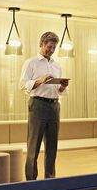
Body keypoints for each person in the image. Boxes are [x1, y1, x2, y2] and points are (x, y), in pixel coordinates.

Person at [20, 32, 69, 180]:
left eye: (54, 48)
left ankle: (50, 179)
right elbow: (22, 84)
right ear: (41, 44)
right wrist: (40, 80)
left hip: (54, 106)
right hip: (38, 105)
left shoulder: (56, 66)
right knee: (33, 146)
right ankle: (31, 180)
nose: (51, 50)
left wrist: (62, 86)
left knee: (52, 146)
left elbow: (60, 92)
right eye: (49, 47)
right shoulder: (31, 63)